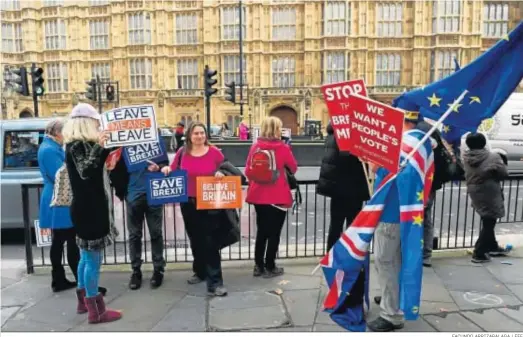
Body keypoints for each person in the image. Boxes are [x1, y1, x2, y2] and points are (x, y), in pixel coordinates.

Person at [368, 111, 433, 332]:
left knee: (386, 262)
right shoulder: (420, 144)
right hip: (400, 215)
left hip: (390, 215)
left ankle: (391, 314)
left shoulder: (404, 146)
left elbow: (383, 172)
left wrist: (375, 163)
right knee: (394, 261)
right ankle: (392, 300)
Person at [63, 103, 121, 324]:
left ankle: (82, 302)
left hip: (87, 208)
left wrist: (105, 157)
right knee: (92, 260)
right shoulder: (78, 145)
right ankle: (96, 311)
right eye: (96, 122)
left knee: (86, 257)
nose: (98, 125)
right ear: (86, 123)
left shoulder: (80, 146)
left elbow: (91, 170)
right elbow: (86, 171)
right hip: (90, 210)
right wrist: (101, 146)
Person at [162, 122, 228, 296]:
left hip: (209, 201)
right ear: (189, 136)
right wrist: (167, 168)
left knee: (211, 241)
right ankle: (199, 271)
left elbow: (227, 168)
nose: (199, 136)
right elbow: (174, 168)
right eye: (196, 133)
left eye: (202, 133)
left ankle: (216, 282)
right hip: (188, 202)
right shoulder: (182, 153)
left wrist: (222, 173)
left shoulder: (214, 152)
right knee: (196, 239)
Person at [110, 140, 168, 290]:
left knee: (156, 233)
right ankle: (136, 271)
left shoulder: (155, 144)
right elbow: (114, 171)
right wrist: (124, 194)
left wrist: (159, 167)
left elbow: (165, 164)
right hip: (133, 195)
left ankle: (158, 269)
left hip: (153, 194)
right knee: (134, 235)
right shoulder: (123, 148)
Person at [244, 116, 298, 278]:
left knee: (262, 231)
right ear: (276, 130)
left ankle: (258, 266)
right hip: (278, 196)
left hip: (258, 195)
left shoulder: (255, 147)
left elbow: (248, 171)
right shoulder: (283, 148)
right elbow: (293, 168)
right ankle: (270, 265)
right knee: (274, 232)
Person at [37, 119, 78, 292]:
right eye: (65, 133)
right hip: (59, 198)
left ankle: (59, 279)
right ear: (57, 133)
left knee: (60, 240)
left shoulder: (49, 147)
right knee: (68, 239)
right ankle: (75, 279)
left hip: (56, 196)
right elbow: (61, 176)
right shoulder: (49, 150)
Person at [316, 122, 370, 251]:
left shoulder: (332, 134)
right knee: (351, 226)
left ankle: (331, 254)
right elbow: (347, 160)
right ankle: (348, 255)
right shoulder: (350, 137)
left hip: (337, 188)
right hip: (353, 188)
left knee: (336, 224)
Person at [415, 118, 461, 267]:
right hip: (430, 182)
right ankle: (425, 254)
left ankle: (415, 253)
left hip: (419, 182)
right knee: (425, 218)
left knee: (414, 218)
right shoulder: (431, 129)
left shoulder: (416, 131)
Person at [462, 132, 510, 263]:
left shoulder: (466, 156)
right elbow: (504, 173)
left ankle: (492, 246)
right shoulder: (493, 156)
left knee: (486, 218)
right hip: (489, 192)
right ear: (483, 143)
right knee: (490, 222)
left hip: (474, 190)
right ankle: (479, 252)